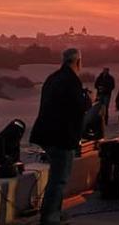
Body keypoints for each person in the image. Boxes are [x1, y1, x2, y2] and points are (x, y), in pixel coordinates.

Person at [30, 48, 90, 225]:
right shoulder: (71, 81)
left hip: (47, 134)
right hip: (61, 137)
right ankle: (50, 217)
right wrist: (87, 101)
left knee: (56, 178)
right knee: (59, 179)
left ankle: (52, 212)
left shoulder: (53, 78)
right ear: (77, 62)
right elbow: (77, 108)